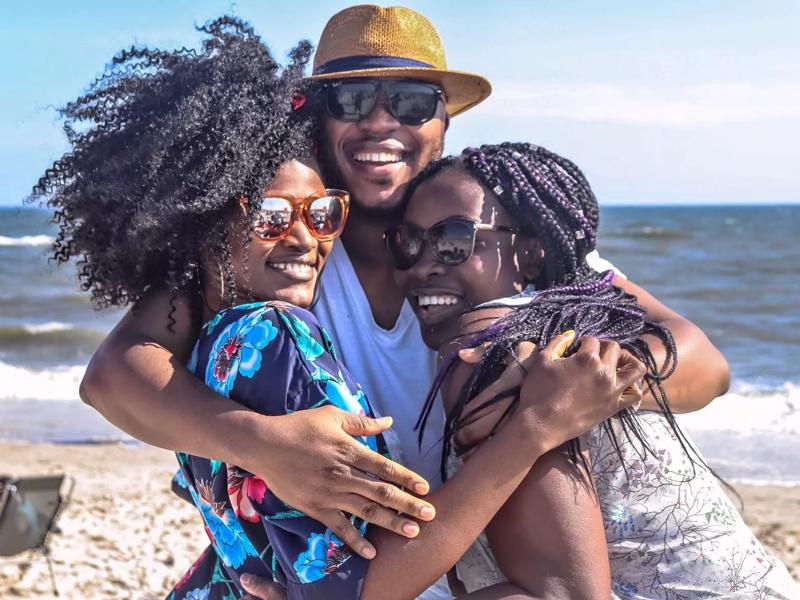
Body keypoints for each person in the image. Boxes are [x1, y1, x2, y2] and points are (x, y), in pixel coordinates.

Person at [74, 5, 730, 599]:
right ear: (313, 115)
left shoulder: (488, 246)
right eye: (353, 98)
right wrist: (267, 445)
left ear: (443, 124)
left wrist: (577, 382)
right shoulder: (283, 253)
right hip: (392, 571)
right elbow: (117, 376)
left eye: (414, 102)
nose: (382, 121)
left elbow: (702, 363)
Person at [389, 142, 798, 599]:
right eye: (407, 243)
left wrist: (600, 380)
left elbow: (563, 595)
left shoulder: (491, 353)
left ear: (531, 251)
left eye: (453, 241)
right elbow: (707, 363)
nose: (422, 265)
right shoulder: (584, 315)